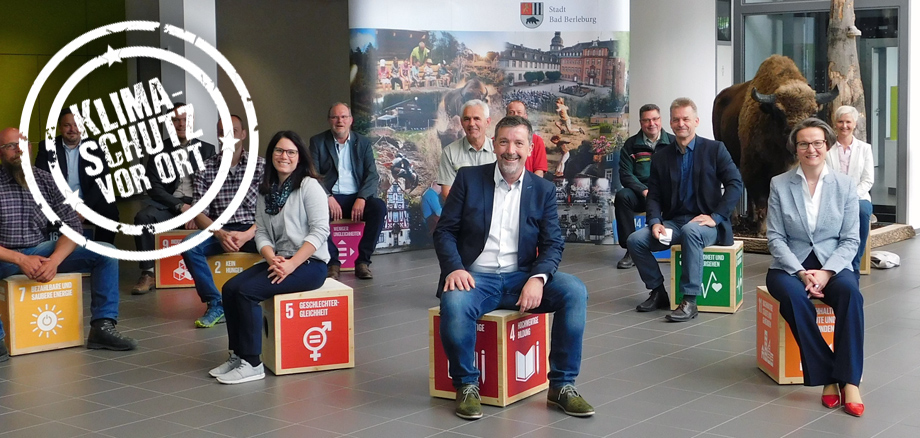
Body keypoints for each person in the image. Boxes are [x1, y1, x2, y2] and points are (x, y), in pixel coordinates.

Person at [435, 115, 593, 420]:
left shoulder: (542, 189)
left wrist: (538, 277)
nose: (511, 150)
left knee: (574, 291)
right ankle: (466, 384)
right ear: (494, 144)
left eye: (519, 143)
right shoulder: (469, 178)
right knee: (453, 302)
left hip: (522, 277)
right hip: (475, 278)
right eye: (505, 141)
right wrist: (454, 268)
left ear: (529, 148)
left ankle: (562, 385)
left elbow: (553, 243)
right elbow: (444, 231)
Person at [0, 127, 137, 353]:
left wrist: (54, 260)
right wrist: (20, 259)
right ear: (1, 153)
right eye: (9, 146)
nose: (18, 150)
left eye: (22, 144)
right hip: (5, 256)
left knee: (105, 252)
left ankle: (102, 327)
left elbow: (72, 226)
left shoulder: (46, 180)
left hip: (41, 252)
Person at [209, 131, 330, 384]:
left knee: (248, 292)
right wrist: (271, 256)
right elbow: (262, 232)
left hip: (309, 264)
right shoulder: (266, 191)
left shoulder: (309, 186)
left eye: (290, 152)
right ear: (271, 154)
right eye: (278, 150)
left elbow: (320, 231)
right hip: (280, 259)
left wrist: (291, 264)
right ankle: (238, 354)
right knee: (231, 288)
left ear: (299, 157)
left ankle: (253, 363)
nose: (284, 156)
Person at [765, 118, 865, 417]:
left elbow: (850, 239)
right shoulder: (780, 184)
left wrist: (827, 272)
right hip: (789, 265)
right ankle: (829, 376)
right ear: (795, 148)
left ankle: (850, 381)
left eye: (818, 143)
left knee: (851, 295)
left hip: (833, 263)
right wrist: (800, 272)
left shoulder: (845, 185)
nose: (811, 149)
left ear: (828, 145)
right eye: (804, 143)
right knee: (794, 299)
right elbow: (775, 237)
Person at [626, 98, 742, 320]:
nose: (681, 124)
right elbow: (655, 195)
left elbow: (735, 184)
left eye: (686, 119)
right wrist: (655, 222)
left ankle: (689, 300)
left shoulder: (715, 149)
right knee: (635, 240)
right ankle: (658, 292)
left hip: (705, 224)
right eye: (677, 119)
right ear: (670, 123)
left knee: (691, 230)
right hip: (674, 223)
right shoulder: (661, 157)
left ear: (696, 121)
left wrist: (716, 217)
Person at [180, 115, 265, 328]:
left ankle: (266, 297)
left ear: (243, 135)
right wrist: (219, 233)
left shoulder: (261, 165)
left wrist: (248, 234)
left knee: (283, 246)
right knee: (189, 246)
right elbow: (199, 212)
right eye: (223, 131)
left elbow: (271, 211)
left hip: (254, 229)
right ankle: (215, 303)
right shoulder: (206, 167)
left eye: (234, 131)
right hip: (220, 229)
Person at [131, 103, 216, 295]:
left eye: (185, 119)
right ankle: (148, 272)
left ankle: (210, 272)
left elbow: (213, 186)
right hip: (170, 204)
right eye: (176, 120)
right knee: (143, 218)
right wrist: (180, 206)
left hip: (199, 205)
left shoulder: (207, 150)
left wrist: (196, 211)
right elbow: (154, 187)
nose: (181, 124)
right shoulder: (158, 151)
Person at [309, 103, 386, 280]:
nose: (340, 121)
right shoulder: (318, 142)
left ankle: (362, 262)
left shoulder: (363, 142)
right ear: (329, 120)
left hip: (356, 197)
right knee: (312, 213)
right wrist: (327, 196)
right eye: (335, 117)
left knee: (379, 208)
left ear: (351, 120)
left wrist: (362, 197)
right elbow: (312, 174)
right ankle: (333, 263)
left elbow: (372, 175)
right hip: (330, 197)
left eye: (344, 117)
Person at [35, 109, 120, 244]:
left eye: (76, 125)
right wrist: (61, 207)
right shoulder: (47, 146)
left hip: (86, 200)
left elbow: (102, 181)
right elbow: (40, 180)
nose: (72, 129)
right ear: (60, 128)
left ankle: (101, 254)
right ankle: (42, 252)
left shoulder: (94, 147)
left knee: (109, 212)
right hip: (57, 202)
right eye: (67, 125)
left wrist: (84, 209)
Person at [614, 104, 674, 269]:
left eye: (655, 119)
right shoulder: (631, 145)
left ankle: (682, 246)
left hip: (668, 196)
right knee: (622, 196)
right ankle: (631, 250)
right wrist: (644, 190)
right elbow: (626, 175)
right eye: (647, 120)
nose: (651, 124)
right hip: (642, 194)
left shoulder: (673, 143)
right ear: (641, 122)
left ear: (661, 120)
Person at [826, 105, 874, 273]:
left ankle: (853, 266)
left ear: (855, 124)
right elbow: (824, 177)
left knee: (861, 211)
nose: (844, 126)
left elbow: (868, 180)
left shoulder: (865, 149)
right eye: (840, 121)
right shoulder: (826, 149)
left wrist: (851, 196)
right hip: (831, 196)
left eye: (848, 122)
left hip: (858, 197)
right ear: (835, 124)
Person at [439, 99, 496, 203]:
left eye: (477, 118)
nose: (471, 124)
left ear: (487, 122)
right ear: (461, 122)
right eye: (467, 119)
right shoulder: (449, 153)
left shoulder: (499, 152)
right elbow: (446, 194)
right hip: (464, 217)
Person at [505, 100, 548, 177]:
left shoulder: (537, 141)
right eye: (511, 112)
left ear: (525, 116)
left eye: (519, 112)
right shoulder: (496, 140)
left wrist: (530, 187)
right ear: (506, 116)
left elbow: (539, 171)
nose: (515, 115)